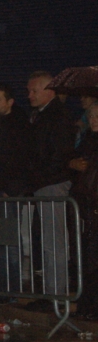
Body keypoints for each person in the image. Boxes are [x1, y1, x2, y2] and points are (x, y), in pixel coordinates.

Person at [28, 71, 75, 303]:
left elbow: (57, 153)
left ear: (49, 90)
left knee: (53, 240)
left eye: (34, 91)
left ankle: (55, 294)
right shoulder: (43, 115)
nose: (30, 95)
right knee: (48, 239)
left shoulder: (57, 116)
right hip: (45, 181)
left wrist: (39, 174)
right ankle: (50, 292)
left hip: (51, 182)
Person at [0, 82, 32, 296]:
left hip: (7, 190)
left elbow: (20, 159)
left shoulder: (18, 125)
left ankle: (10, 289)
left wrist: (11, 188)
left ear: (9, 102)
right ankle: (1, 286)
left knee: (9, 239)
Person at [69, 102, 98, 319]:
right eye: (92, 116)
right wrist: (73, 163)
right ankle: (87, 304)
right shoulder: (87, 139)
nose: (94, 120)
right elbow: (71, 160)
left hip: (92, 202)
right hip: (86, 202)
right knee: (87, 256)